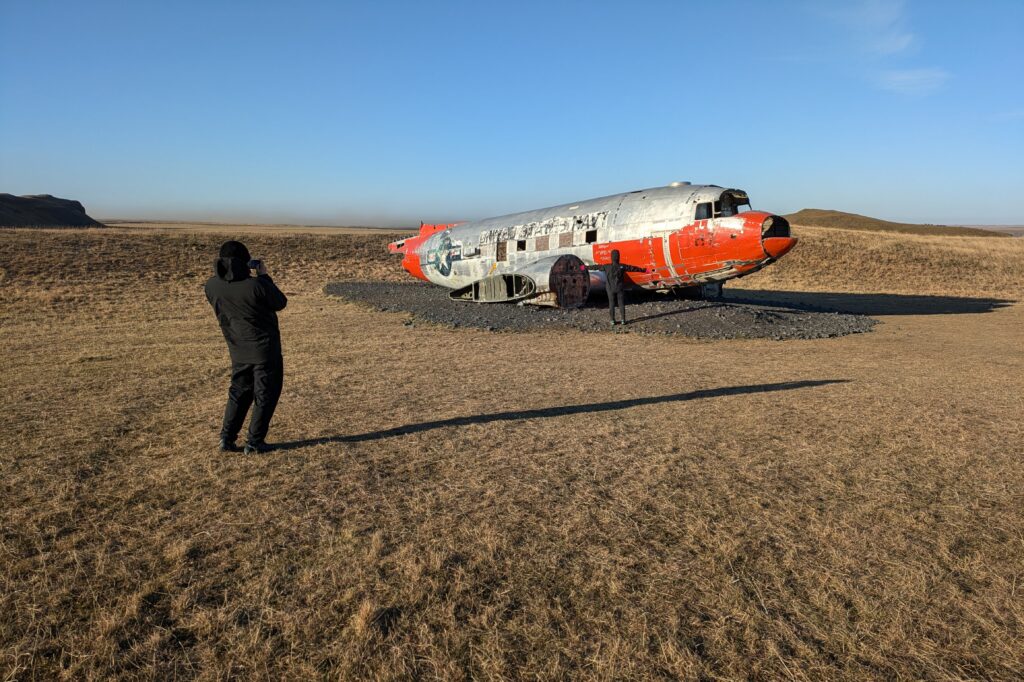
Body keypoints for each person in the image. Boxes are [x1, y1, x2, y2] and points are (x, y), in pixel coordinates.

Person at [204, 240, 288, 454]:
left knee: (238, 393)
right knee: (265, 395)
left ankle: (227, 438)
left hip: (237, 349)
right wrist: (264, 275)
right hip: (264, 351)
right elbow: (280, 302)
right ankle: (254, 441)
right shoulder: (256, 286)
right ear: (244, 262)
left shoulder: (211, 286)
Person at [584, 249, 647, 325]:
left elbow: (595, 267)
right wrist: (645, 270)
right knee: (621, 303)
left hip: (610, 289)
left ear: (611, 257)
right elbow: (633, 268)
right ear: (618, 257)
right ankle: (623, 320)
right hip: (620, 288)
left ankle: (612, 320)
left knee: (611, 304)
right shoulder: (622, 266)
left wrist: (583, 267)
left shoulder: (606, 267)